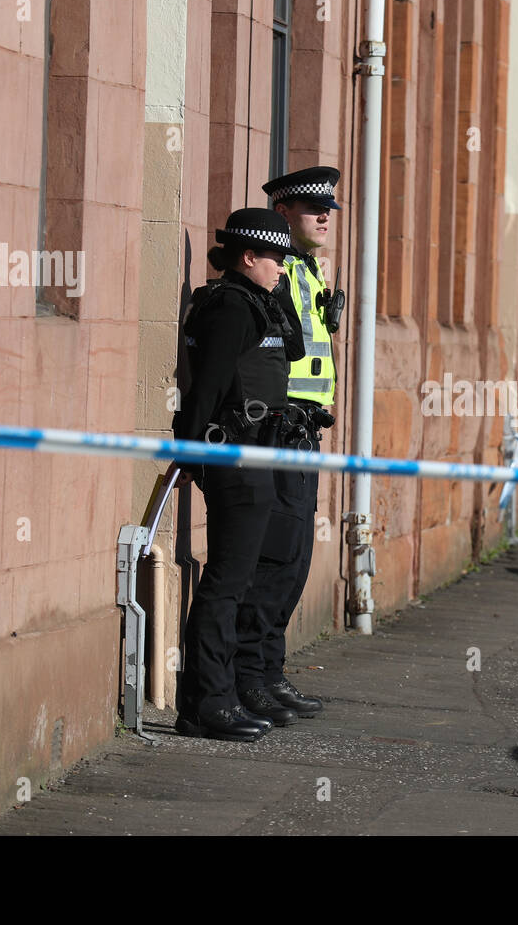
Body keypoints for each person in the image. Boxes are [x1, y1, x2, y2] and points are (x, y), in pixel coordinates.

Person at [170, 207, 307, 741]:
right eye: (274, 259)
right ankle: (209, 704)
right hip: (237, 460)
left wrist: (279, 292)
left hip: (256, 457)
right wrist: (189, 452)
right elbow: (206, 387)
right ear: (247, 257)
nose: (281, 269)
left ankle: (217, 698)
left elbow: (290, 347)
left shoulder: (254, 301)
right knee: (226, 584)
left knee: (238, 580)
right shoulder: (230, 307)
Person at [234, 166, 345, 724]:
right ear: (284, 213)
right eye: (311, 209)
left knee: (294, 560)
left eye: (328, 209)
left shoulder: (313, 270)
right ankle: (247, 677)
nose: (324, 216)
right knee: (273, 557)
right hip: (278, 427)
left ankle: (269, 671)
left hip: (306, 430)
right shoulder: (276, 270)